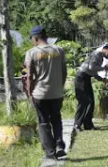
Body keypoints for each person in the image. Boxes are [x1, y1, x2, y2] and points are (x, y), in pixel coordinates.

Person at [25, 25, 67, 159]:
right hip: (57, 93)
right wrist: (59, 86)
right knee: (57, 119)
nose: (32, 41)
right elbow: (64, 72)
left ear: (36, 38)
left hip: (40, 94)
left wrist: (29, 92)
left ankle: (50, 152)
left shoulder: (32, 52)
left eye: (32, 38)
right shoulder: (59, 50)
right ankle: (60, 145)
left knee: (43, 122)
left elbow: (30, 76)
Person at [73, 44, 108, 132]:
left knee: (90, 101)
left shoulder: (100, 56)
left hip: (86, 77)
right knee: (83, 102)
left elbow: (92, 71)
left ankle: (88, 124)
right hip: (81, 77)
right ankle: (77, 125)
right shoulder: (97, 54)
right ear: (107, 50)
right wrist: (104, 68)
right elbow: (91, 67)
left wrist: (101, 79)